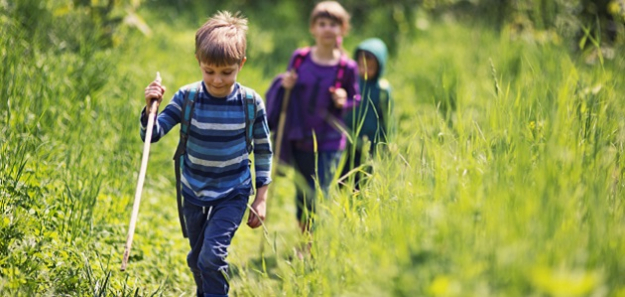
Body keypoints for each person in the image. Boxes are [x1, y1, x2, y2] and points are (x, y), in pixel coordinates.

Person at [140, 11, 272, 297]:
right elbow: (153, 133)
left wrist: (261, 198)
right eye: (209, 71)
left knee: (211, 257)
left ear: (241, 64)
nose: (217, 80)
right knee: (196, 259)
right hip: (193, 190)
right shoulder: (187, 97)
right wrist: (151, 108)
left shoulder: (250, 103)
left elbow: (263, 149)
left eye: (227, 72)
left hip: (233, 191)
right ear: (199, 62)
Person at [268, 1, 360, 236]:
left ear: (342, 29)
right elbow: (287, 87)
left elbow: (355, 99)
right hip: (300, 137)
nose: (327, 29)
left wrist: (343, 99)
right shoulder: (300, 58)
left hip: (330, 140)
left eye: (333, 24)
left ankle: (313, 242)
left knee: (319, 191)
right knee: (302, 192)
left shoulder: (346, 67)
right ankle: (304, 237)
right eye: (322, 24)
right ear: (313, 28)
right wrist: (286, 84)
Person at [341, 37, 393, 190]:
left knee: (363, 179)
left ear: (379, 68)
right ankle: (339, 204)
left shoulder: (382, 90)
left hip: (370, 143)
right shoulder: (351, 83)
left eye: (370, 68)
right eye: (361, 66)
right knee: (342, 176)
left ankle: (358, 204)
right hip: (348, 139)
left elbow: (388, 118)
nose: (365, 71)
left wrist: (387, 142)